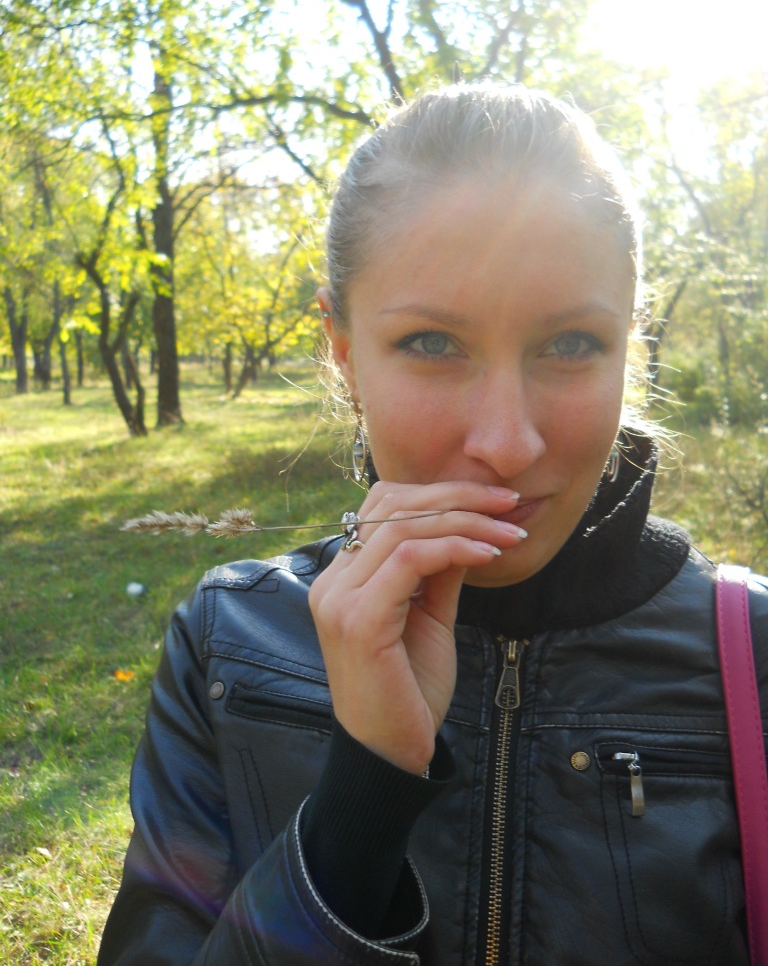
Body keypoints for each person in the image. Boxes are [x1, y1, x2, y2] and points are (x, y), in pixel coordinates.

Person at [98, 82, 768, 966]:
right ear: (345, 355)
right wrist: (362, 794)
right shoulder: (228, 645)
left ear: (630, 350)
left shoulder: (753, 656)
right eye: (432, 344)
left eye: (571, 344)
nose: (507, 443)